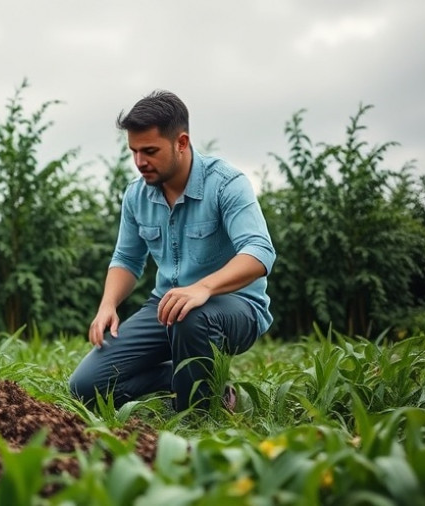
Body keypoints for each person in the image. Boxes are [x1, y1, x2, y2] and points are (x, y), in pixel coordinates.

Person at [68, 90, 276, 412]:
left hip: (234, 307)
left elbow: (260, 251)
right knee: (85, 387)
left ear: (181, 142)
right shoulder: (136, 196)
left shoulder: (226, 183)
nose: (139, 162)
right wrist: (108, 304)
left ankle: (202, 408)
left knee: (190, 315)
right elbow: (126, 258)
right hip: (166, 306)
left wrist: (203, 288)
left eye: (149, 151)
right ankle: (181, 382)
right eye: (134, 151)